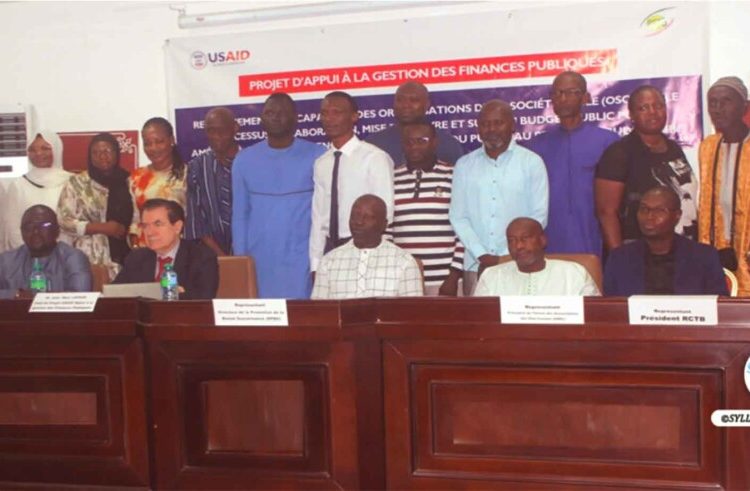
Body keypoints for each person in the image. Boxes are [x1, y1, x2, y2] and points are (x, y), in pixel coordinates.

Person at [450, 99, 549, 295]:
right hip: (476, 264)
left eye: (498, 123)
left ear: (512, 125)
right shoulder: (464, 165)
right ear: (478, 129)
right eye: (485, 124)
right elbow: (458, 217)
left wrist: (504, 257)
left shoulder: (531, 162)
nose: (491, 129)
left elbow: (538, 217)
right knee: (478, 315)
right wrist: (482, 255)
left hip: (519, 262)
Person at [233, 93, 326, 299]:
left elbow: (324, 214)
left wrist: (318, 260)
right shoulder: (244, 160)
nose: (275, 117)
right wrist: (241, 260)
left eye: (282, 113)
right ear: (261, 118)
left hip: (303, 259)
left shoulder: (318, 156)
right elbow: (240, 215)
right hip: (259, 259)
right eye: (269, 112)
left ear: (296, 118)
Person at [595, 85, 699, 252]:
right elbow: (606, 212)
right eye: (644, 108)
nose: (653, 112)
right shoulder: (619, 153)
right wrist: (619, 257)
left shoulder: (673, 148)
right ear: (631, 114)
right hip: (640, 252)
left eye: (658, 106)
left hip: (681, 247)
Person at [526, 71, 618, 255]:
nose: (562, 98)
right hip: (548, 243)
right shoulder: (535, 147)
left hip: (594, 240)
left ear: (585, 98)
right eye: (557, 93)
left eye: (570, 92)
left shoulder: (608, 142)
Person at [310, 91, 394, 273]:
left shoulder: (374, 158)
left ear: (354, 116)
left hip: (365, 248)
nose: (329, 119)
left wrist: (378, 258)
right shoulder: (321, 163)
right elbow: (318, 219)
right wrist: (315, 265)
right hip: (330, 251)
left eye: (336, 112)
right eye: (324, 113)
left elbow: (387, 212)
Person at [604, 186, 727, 296]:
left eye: (659, 211)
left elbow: (719, 307)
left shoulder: (703, 257)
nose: (649, 216)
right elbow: (609, 307)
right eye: (644, 209)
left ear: (677, 216)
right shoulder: (620, 258)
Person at [389, 121, 463, 296]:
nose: (414, 146)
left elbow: (464, 228)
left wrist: (454, 275)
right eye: (409, 141)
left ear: (435, 142)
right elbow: (386, 228)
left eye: (421, 140)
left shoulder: (454, 174)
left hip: (445, 279)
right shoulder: (391, 177)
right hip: (403, 279)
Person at [312, 194, 423, 299]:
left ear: (384, 225)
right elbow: (319, 310)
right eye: (355, 216)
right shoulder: (328, 262)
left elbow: (413, 311)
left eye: (368, 217)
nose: (359, 222)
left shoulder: (404, 262)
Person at [697, 76, 750, 295]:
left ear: (744, 106)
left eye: (726, 101)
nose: (718, 109)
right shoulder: (708, 147)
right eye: (713, 102)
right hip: (717, 250)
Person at [57, 133, 133, 281]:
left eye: (107, 151)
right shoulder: (77, 183)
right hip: (90, 258)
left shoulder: (129, 180)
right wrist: (101, 227)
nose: (102, 156)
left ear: (117, 153)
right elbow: (63, 221)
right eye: (96, 152)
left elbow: (137, 216)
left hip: (126, 255)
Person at [113, 199, 218, 300]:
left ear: (177, 227)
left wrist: (172, 295)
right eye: (145, 226)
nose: (149, 232)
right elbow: (114, 295)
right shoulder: (136, 258)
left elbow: (203, 300)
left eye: (158, 224)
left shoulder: (201, 257)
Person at [474, 217, 600, 296]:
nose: (518, 246)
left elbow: (594, 318)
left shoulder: (574, 274)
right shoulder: (492, 277)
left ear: (543, 240)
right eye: (511, 240)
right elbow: (480, 321)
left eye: (525, 238)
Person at [0, 205, 91, 298]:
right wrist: (17, 295)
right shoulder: (6, 261)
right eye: (29, 227)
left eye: (44, 225)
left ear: (57, 230)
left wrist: (37, 299)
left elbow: (80, 297)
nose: (35, 231)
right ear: (22, 232)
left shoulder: (73, 258)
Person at [366, 81, 465, 166]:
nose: (405, 105)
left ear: (427, 104)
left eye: (414, 100)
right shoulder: (374, 144)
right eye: (400, 100)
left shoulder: (447, 144)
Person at [3, 129, 71, 251]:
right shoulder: (18, 185)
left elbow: (74, 223)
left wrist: (62, 253)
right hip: (29, 255)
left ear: (56, 149)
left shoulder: (72, 182)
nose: (38, 153)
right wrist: (30, 253)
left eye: (45, 148)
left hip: (66, 252)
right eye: (32, 150)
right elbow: (13, 227)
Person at [185, 107, 239, 257]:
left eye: (222, 130)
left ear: (235, 128)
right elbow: (195, 220)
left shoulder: (251, 163)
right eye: (211, 131)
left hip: (252, 253)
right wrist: (222, 258)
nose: (216, 136)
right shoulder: (197, 167)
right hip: (210, 256)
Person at [128, 117, 187, 249]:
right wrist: (136, 247)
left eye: (159, 142)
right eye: (148, 143)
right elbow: (134, 219)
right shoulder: (136, 177)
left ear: (172, 140)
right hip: (145, 250)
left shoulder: (188, 175)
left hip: (179, 251)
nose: (153, 148)